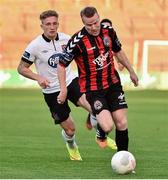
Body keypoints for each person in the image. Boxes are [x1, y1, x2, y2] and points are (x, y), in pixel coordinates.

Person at [17, 10, 116, 161]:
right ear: (42, 25)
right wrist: (38, 77)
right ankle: (71, 145)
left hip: (71, 81)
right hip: (52, 91)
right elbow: (21, 68)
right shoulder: (35, 46)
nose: (52, 27)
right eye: (48, 24)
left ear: (58, 24)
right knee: (70, 129)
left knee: (97, 109)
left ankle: (100, 135)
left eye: (54, 23)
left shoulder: (67, 39)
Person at [57, 6, 139, 151]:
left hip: (113, 83)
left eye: (95, 22)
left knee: (121, 122)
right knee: (108, 125)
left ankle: (123, 157)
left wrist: (131, 71)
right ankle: (101, 130)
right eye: (89, 25)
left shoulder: (109, 31)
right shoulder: (77, 41)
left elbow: (118, 51)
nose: (94, 27)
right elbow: (61, 65)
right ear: (83, 23)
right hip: (93, 89)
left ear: (99, 17)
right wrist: (63, 89)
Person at [86, 18, 124, 130]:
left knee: (114, 102)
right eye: (104, 25)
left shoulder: (110, 36)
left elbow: (116, 51)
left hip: (111, 74)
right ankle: (93, 115)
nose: (106, 28)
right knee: (100, 103)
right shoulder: (92, 40)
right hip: (96, 79)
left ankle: (100, 118)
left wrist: (119, 62)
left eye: (109, 26)